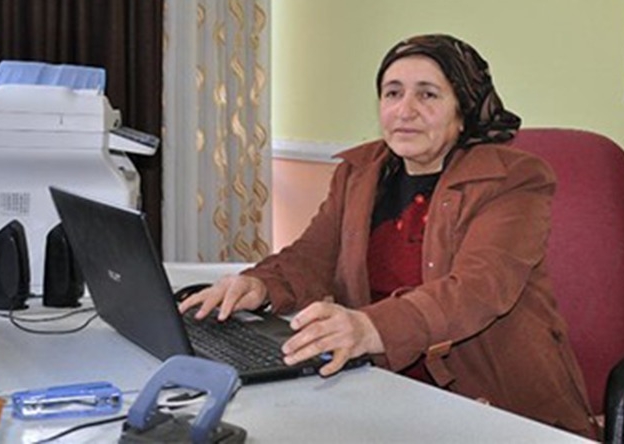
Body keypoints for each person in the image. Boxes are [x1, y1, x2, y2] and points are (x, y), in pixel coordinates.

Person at [178, 34, 596, 438]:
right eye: (392, 93)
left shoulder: (512, 179)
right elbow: (312, 256)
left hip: (490, 400)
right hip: (380, 384)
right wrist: (259, 284)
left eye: (427, 95)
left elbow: (478, 290)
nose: (404, 110)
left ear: (463, 109)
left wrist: (368, 327)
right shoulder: (360, 173)